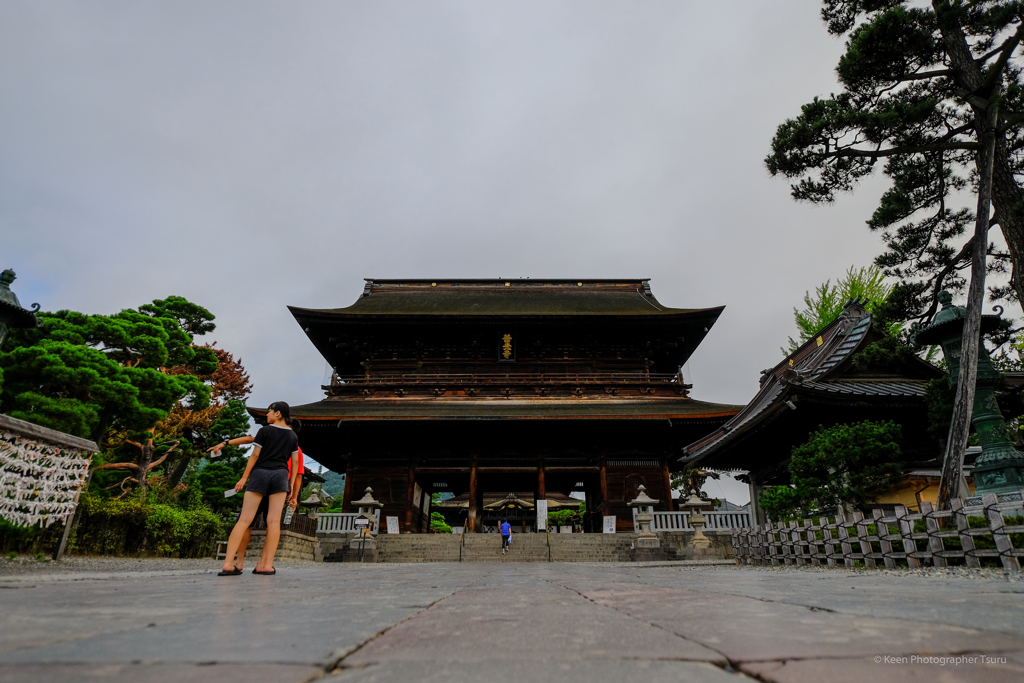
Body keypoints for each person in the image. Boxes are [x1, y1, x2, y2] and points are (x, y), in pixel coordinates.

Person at [219, 402, 300, 576]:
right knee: (273, 522)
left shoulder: (264, 431)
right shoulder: (292, 436)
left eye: (270, 411)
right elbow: (294, 462)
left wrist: (244, 477)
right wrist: (291, 484)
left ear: (278, 413)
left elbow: (255, 455)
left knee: (244, 520)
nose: (267, 414)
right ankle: (266, 565)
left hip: (260, 473)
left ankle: (228, 563)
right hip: (280, 475)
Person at [210, 437, 305, 572]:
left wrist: (225, 443)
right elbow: (299, 475)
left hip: (259, 483)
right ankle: (264, 564)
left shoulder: (270, 439)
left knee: (245, 522)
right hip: (278, 487)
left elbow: (250, 441)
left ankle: (238, 562)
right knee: (272, 525)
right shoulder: (296, 449)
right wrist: (294, 497)